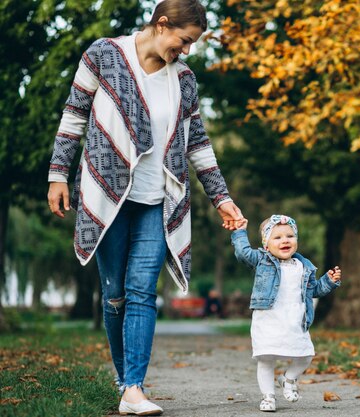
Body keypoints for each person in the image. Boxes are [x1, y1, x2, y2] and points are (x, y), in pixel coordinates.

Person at [46, 1, 244, 415]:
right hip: (107, 194)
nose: (186, 51)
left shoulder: (184, 80)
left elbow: (199, 145)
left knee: (141, 291)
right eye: (183, 40)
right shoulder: (103, 55)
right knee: (115, 293)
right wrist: (58, 174)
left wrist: (221, 198)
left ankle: (134, 388)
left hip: (160, 198)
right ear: (161, 24)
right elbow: (74, 115)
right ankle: (124, 381)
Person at [231, 214, 342, 412]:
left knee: (306, 355)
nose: (285, 240)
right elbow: (242, 253)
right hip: (268, 320)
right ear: (266, 244)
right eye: (277, 237)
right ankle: (268, 397)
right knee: (266, 359)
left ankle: (288, 379)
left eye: (290, 236)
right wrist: (239, 231)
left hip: (296, 321)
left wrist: (329, 281)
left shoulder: (303, 265)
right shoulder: (262, 260)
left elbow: (314, 290)